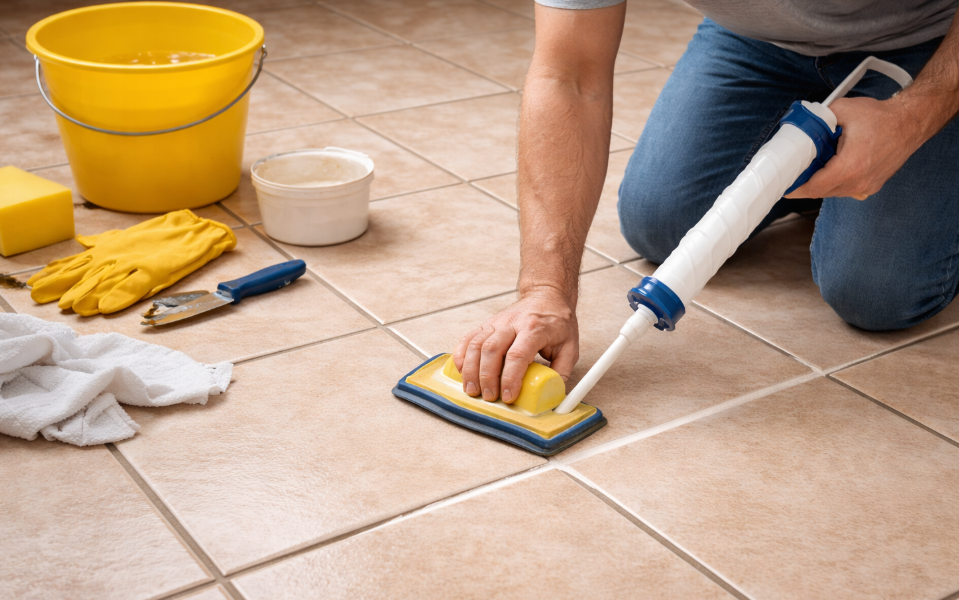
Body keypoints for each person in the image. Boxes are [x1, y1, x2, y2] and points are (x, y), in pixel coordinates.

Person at [453, 0, 959, 405]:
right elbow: (570, 74)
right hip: (755, 39)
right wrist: (544, 288)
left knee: (876, 292)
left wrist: (912, 118)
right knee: (660, 225)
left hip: (925, 40)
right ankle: (823, 164)